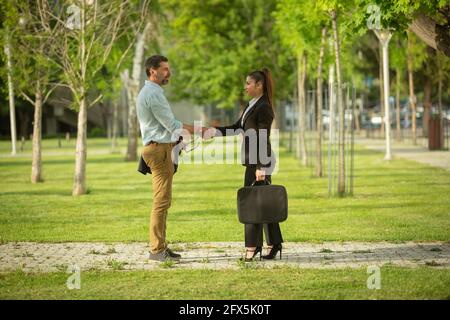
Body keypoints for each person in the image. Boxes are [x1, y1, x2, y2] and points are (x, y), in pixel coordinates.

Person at [205, 68, 283, 261]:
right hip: (254, 162)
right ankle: (275, 244)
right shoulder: (251, 105)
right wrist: (212, 131)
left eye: (248, 83)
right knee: (264, 204)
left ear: (259, 85)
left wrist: (261, 167)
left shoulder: (263, 107)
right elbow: (236, 128)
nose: (245, 86)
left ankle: (252, 247)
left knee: (252, 204)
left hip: (258, 162)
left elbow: (263, 137)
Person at [137, 55, 202, 262]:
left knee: (163, 201)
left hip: (162, 148)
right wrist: (201, 129)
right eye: (164, 69)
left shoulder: (152, 92)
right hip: (159, 150)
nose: (168, 72)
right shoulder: (153, 94)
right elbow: (172, 126)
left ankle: (161, 247)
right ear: (152, 71)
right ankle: (157, 250)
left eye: (168, 68)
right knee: (161, 201)